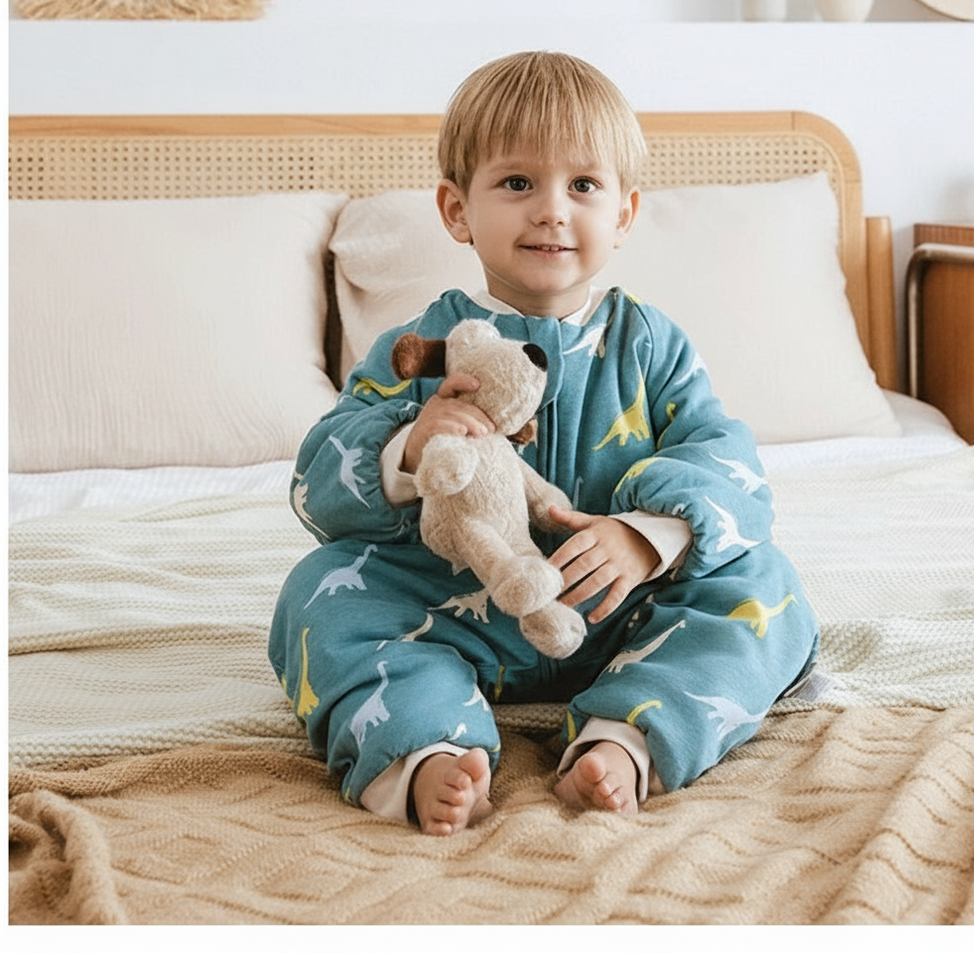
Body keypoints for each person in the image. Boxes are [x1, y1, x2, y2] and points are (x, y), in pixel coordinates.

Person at [269, 50, 819, 836]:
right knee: (317, 593)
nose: (552, 209)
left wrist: (647, 537)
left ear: (625, 214)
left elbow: (727, 459)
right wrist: (409, 449)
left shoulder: (650, 344)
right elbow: (315, 485)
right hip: (453, 609)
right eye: (518, 182)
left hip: (623, 612)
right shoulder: (417, 347)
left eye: (583, 185)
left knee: (769, 586)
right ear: (457, 210)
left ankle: (627, 738)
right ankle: (427, 747)